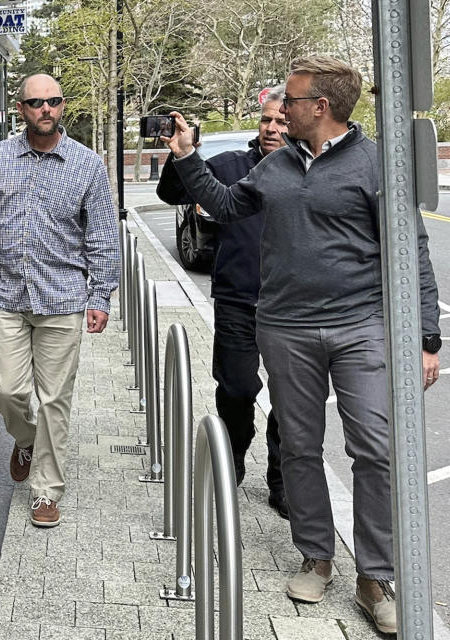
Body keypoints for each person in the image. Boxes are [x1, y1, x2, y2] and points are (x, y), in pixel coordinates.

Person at [162, 56, 441, 635]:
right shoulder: (278, 165)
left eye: (290, 100)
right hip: (284, 326)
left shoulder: (376, 164)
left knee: (375, 449)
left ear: (321, 107)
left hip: (360, 325)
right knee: (299, 449)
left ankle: (376, 575)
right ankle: (317, 556)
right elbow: (227, 204)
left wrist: (427, 337)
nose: (280, 109)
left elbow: (411, 251)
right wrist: (187, 155)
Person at [0, 74, 120, 528]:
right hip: (6, 294)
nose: (45, 109)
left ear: (62, 106)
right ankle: (25, 438)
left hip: (63, 297)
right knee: (5, 389)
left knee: (55, 400)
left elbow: (103, 235)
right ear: (21, 109)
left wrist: (100, 293)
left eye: (53, 102)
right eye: (35, 103)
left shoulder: (86, 164)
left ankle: (46, 491)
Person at [156, 88, 290, 519]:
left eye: (282, 122)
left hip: (291, 307)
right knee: (237, 387)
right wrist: (182, 153)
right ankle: (231, 455)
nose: (272, 128)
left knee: (290, 398)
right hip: (237, 298)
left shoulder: (310, 172)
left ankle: (282, 479)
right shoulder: (232, 166)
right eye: (267, 120)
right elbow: (173, 193)